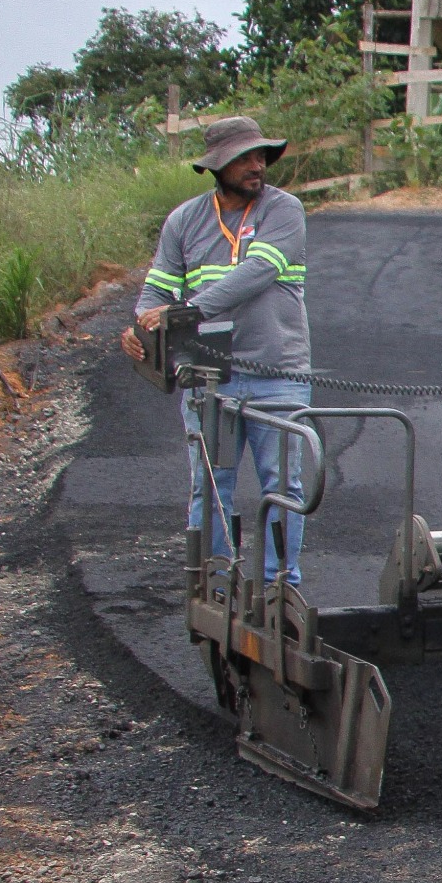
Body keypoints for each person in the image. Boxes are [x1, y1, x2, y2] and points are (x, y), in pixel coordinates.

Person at [124, 116, 312, 583]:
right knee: (209, 487)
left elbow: (258, 273)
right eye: (244, 157)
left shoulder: (283, 210)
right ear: (217, 165)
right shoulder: (184, 221)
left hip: (278, 372)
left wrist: (184, 314)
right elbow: (154, 296)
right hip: (208, 377)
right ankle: (215, 585)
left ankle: (278, 589)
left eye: (260, 156)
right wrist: (141, 330)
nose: (256, 165)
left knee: (283, 486)